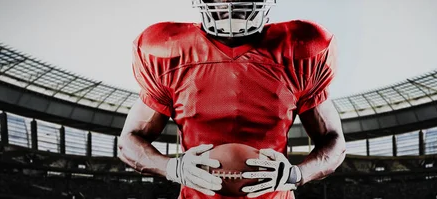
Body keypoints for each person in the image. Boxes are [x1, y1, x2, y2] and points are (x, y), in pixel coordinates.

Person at [117, 0, 346, 198]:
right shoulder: (169, 52)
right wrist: (173, 168)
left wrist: (295, 174)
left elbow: (333, 140)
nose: (230, 3)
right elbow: (129, 140)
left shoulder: (300, 48)